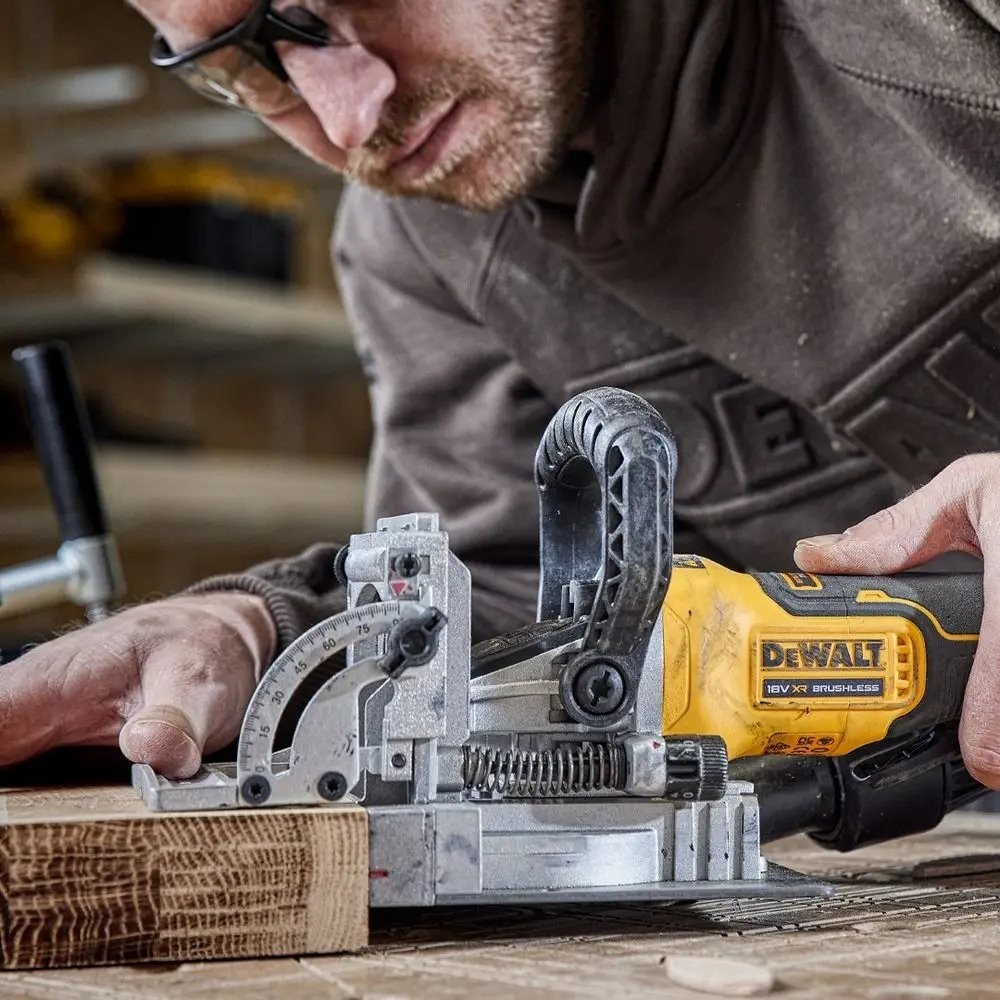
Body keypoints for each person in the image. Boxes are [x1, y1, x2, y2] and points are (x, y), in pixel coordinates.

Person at [3, 0, 999, 790]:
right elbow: (528, 603)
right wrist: (257, 634)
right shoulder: (420, 240)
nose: (350, 119)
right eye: (242, 65)